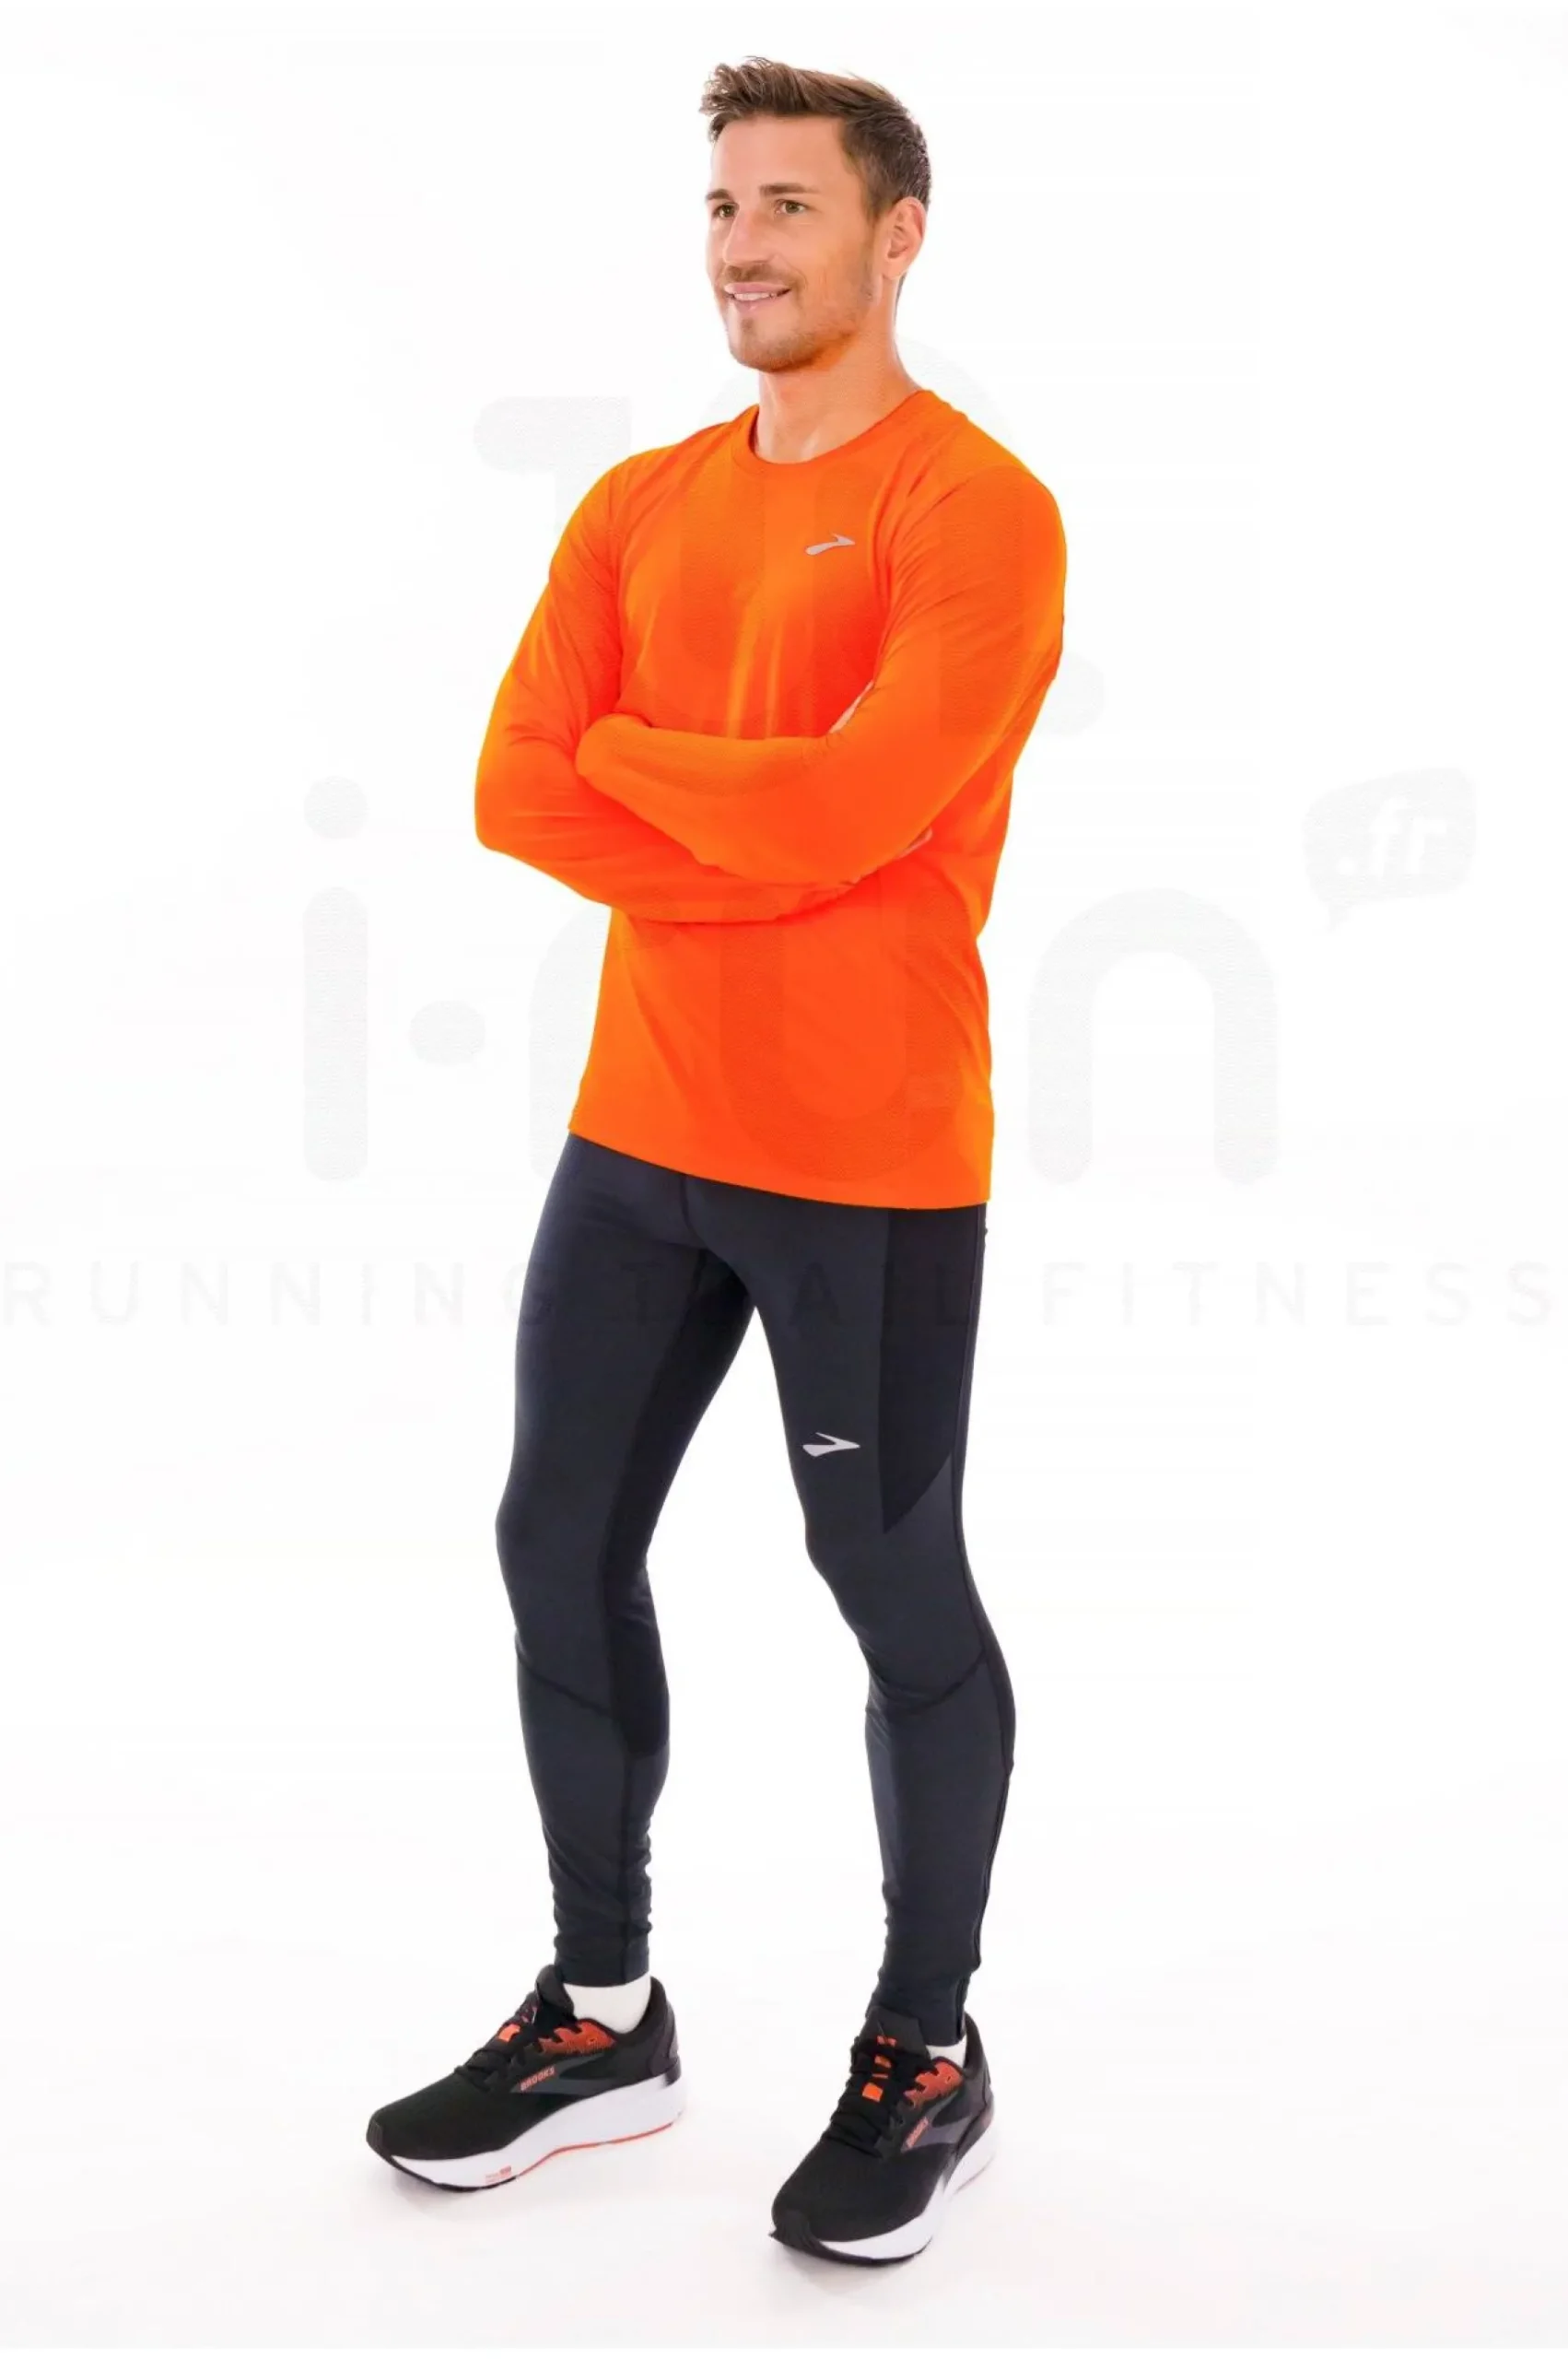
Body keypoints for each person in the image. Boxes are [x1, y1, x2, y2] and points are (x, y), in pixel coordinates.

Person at [366, 53, 1067, 2268]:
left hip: (863, 1157)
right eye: (721, 208)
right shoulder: (637, 501)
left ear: (895, 234)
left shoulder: (976, 508)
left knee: (888, 1579)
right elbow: (514, 784)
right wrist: (768, 825)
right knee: (552, 1535)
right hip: (638, 1131)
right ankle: (601, 2013)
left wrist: (661, 777)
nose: (744, 246)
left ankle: (924, 2046)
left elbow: (856, 804)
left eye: (789, 206)